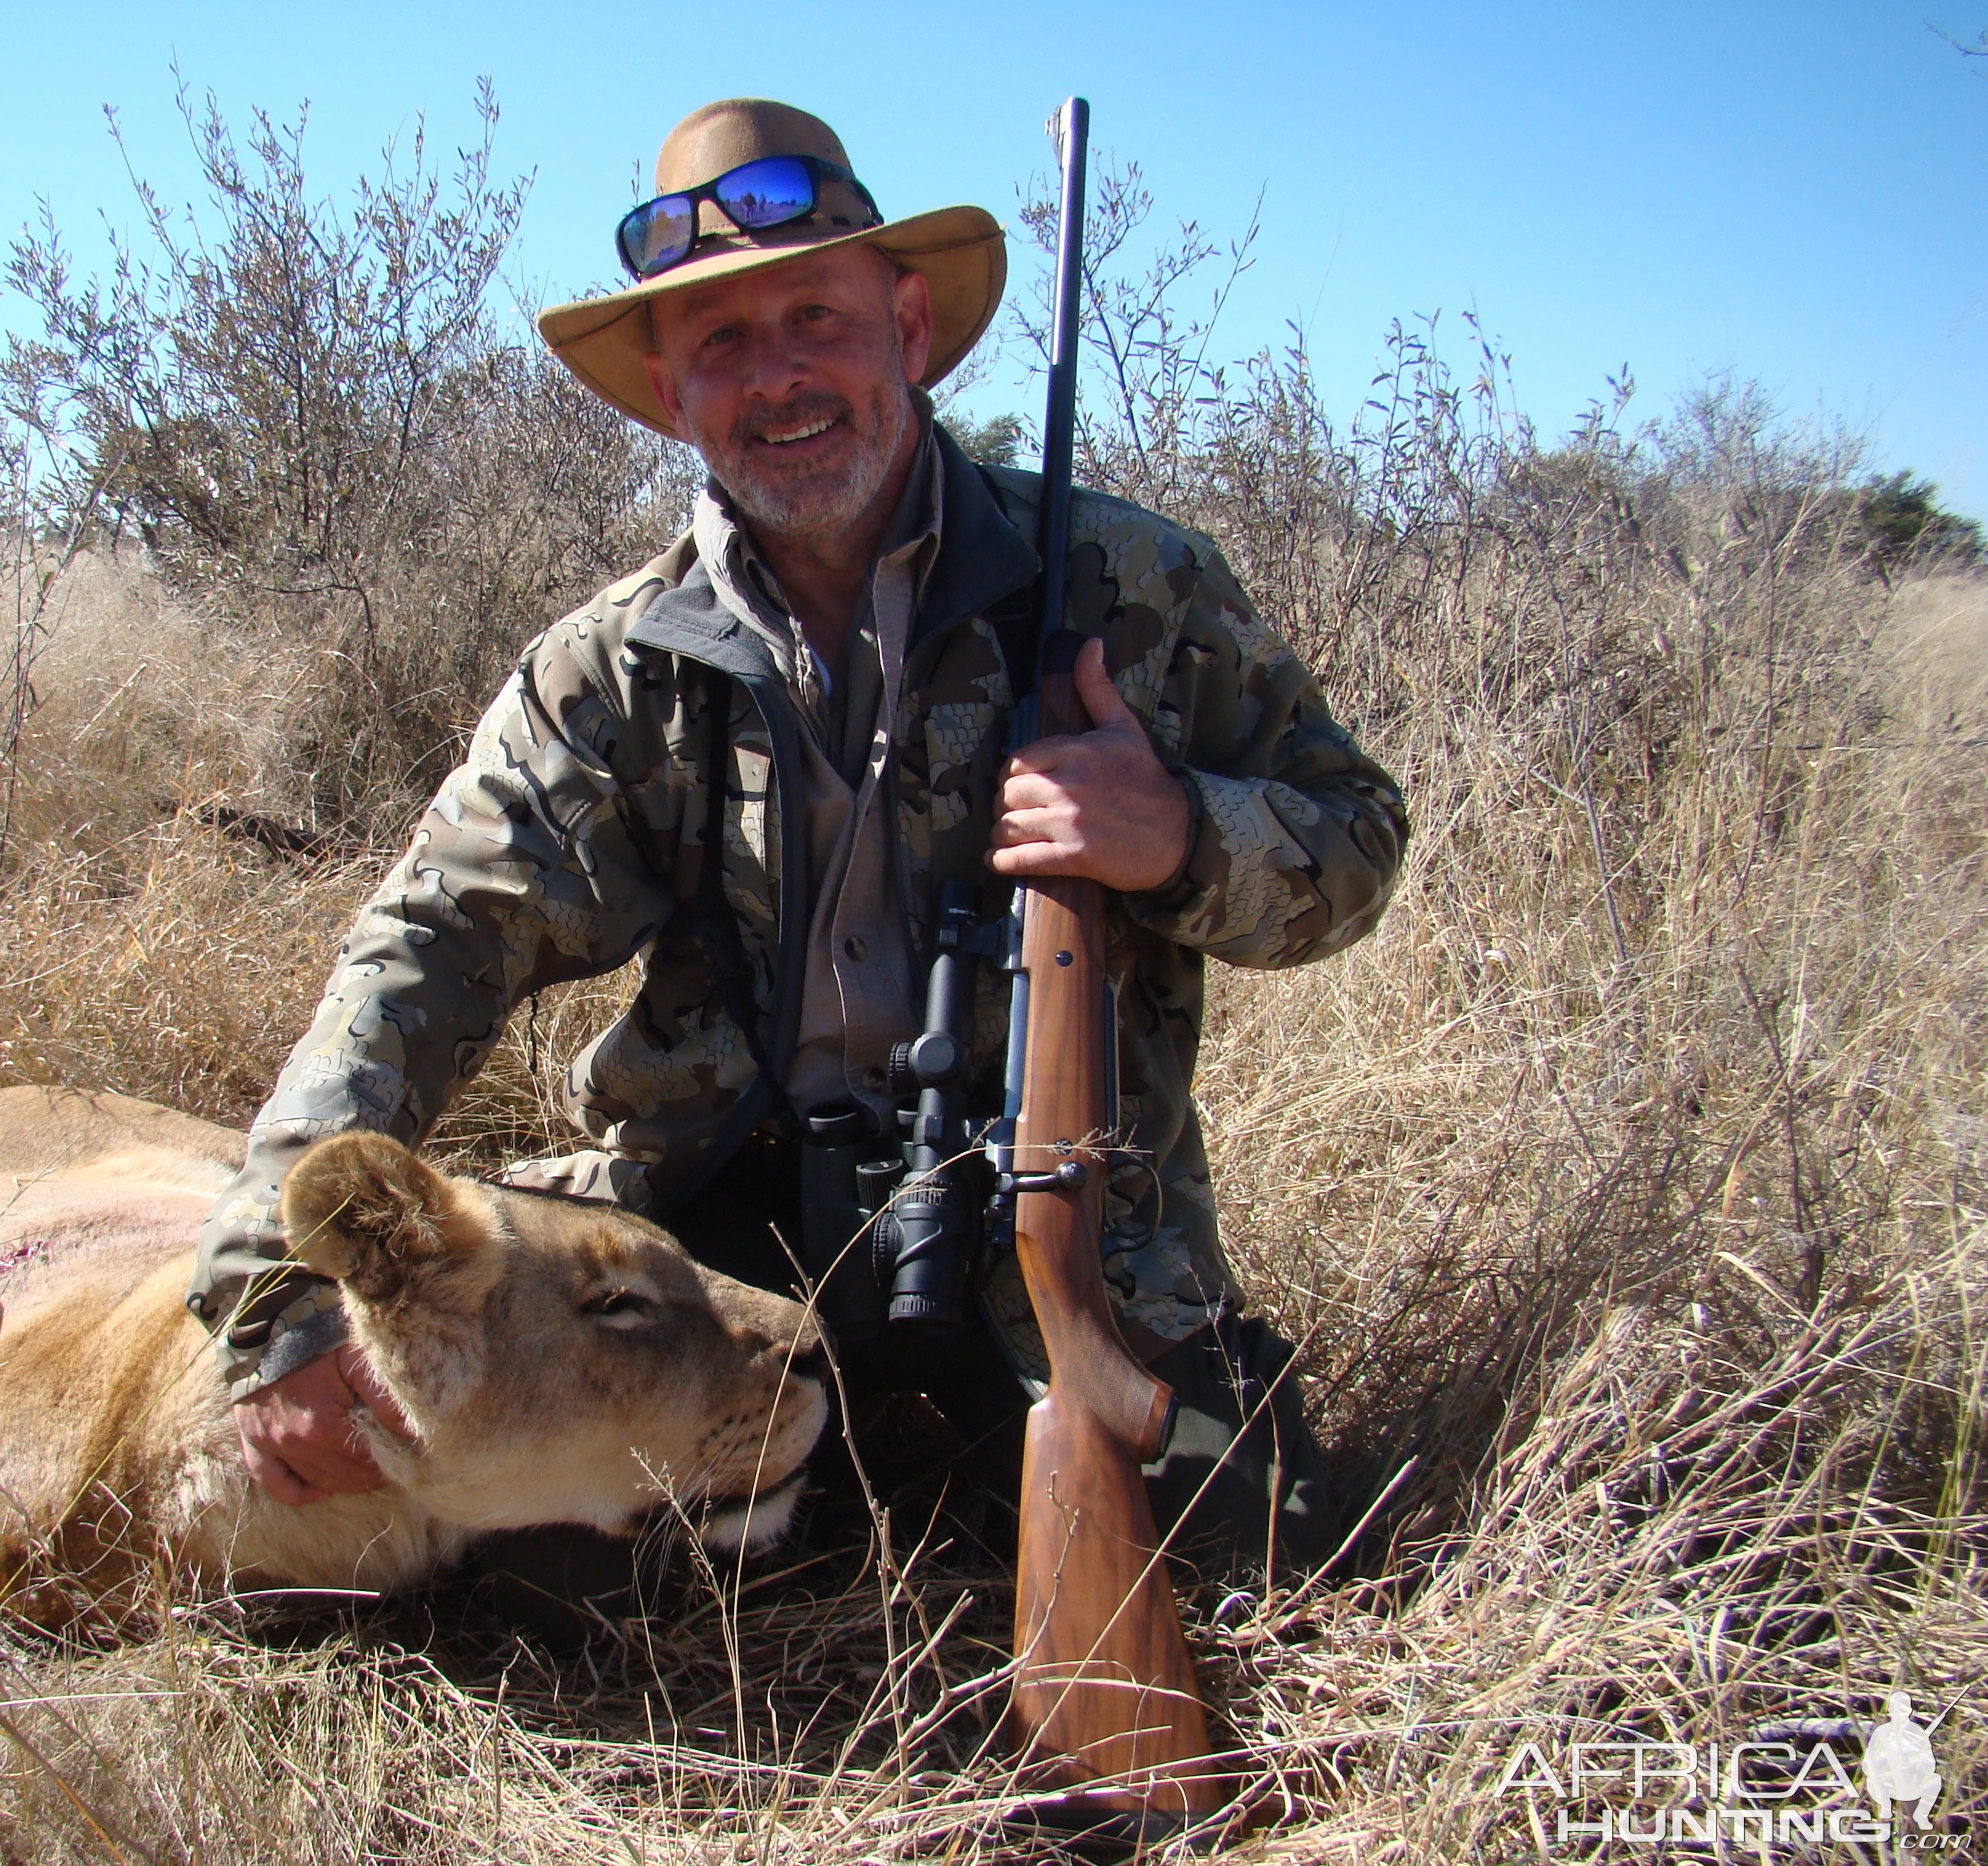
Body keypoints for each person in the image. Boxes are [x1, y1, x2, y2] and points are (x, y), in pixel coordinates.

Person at [188, 98, 1408, 1589]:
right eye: (721, 344)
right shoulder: (611, 668)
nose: (777, 377)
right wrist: (279, 1302)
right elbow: (428, 944)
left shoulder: (1129, 583)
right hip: (714, 1242)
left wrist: (1179, 835)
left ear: (904, 321)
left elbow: (1357, 840)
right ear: (668, 387)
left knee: (1260, 1558)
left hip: (1058, 1223)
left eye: (814, 316)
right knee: (485, 1572)